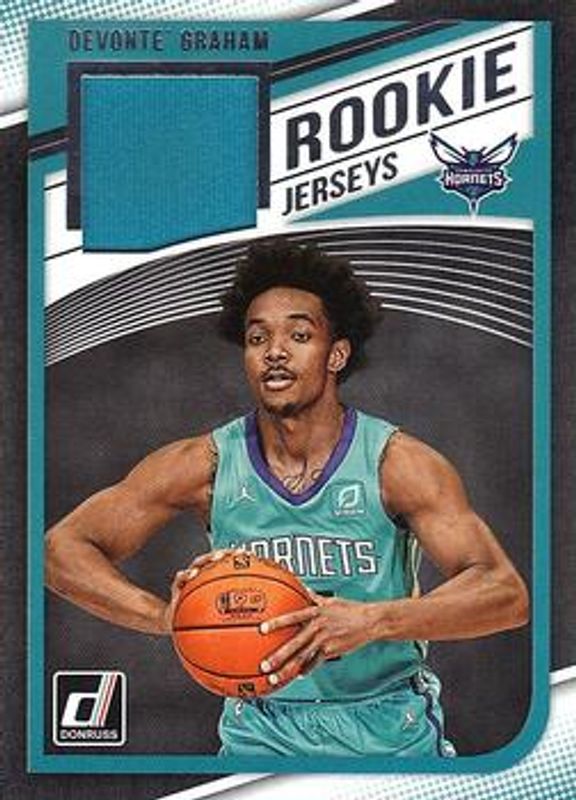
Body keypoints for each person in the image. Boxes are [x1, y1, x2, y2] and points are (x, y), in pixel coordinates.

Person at [45, 239, 529, 758]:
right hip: (260, 735)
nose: (275, 351)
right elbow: (60, 550)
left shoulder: (397, 464)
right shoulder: (206, 464)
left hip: (389, 731)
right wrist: (167, 618)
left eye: (299, 335)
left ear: (336, 355)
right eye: (258, 338)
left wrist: (374, 620)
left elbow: (505, 593)